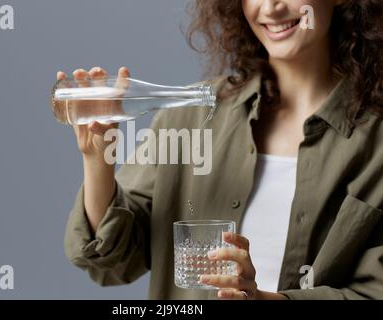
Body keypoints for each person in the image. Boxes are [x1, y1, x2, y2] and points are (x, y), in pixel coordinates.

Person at [60, 0, 383, 299]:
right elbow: (113, 261)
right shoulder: (187, 115)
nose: (270, 7)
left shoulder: (376, 142)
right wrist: (97, 161)